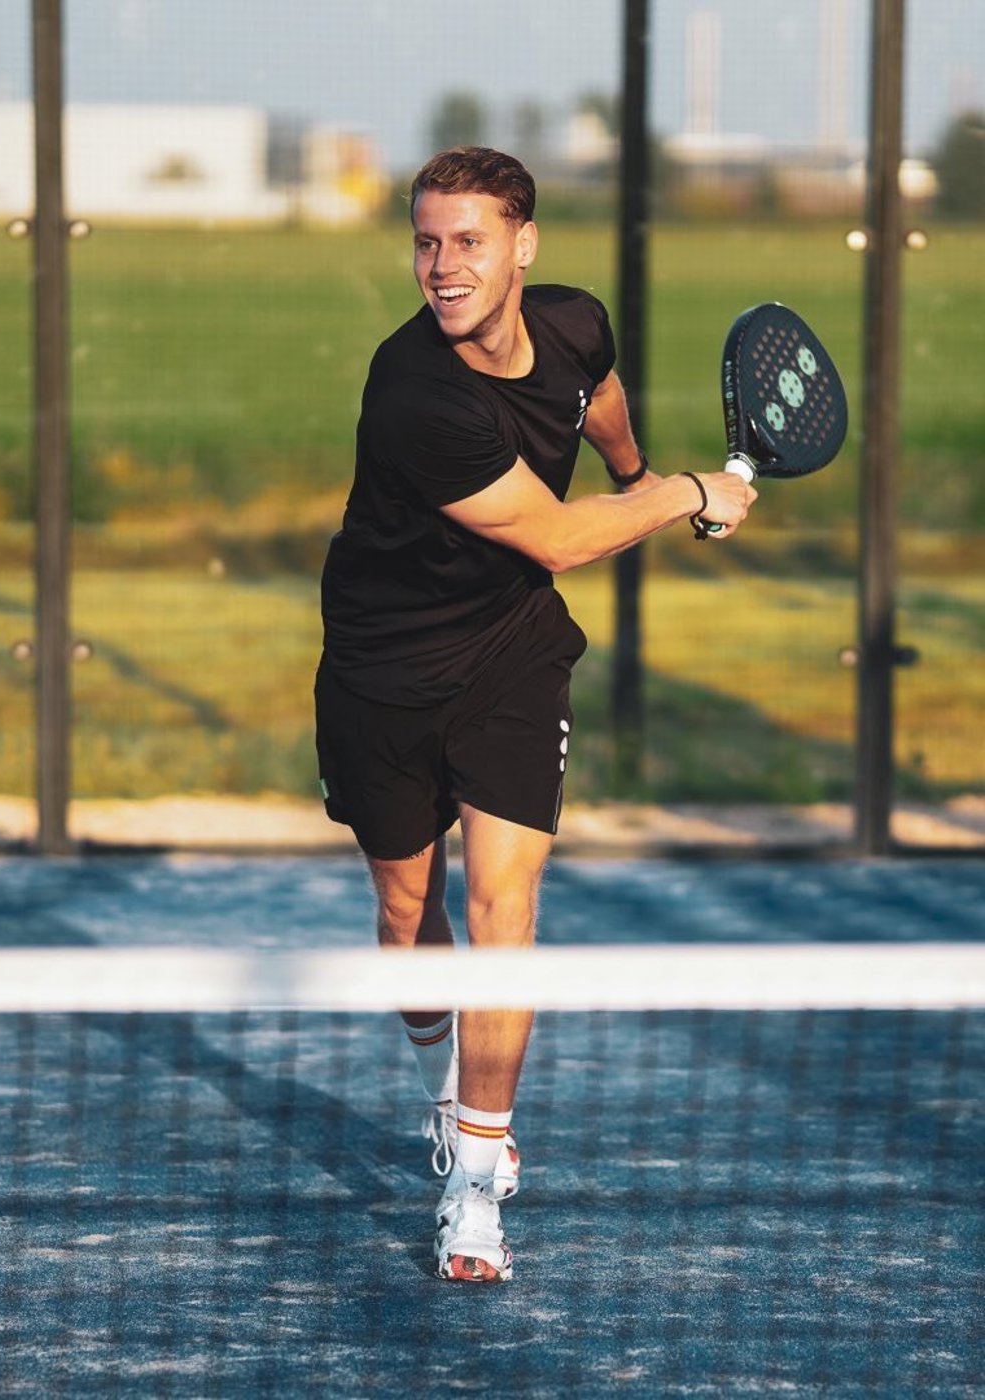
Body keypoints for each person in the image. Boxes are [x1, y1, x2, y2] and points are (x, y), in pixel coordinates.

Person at [313, 147, 756, 1283]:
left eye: (465, 241)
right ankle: (443, 1099)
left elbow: (592, 389)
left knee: (503, 908)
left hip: (509, 656)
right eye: (424, 241)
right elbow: (556, 537)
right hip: (381, 671)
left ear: (522, 245)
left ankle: (474, 1187)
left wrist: (633, 462)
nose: (440, 266)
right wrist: (682, 495)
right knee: (407, 911)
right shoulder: (416, 389)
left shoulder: (570, 321)